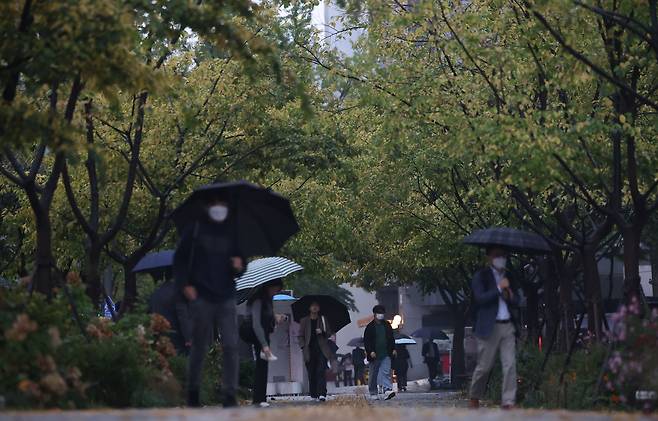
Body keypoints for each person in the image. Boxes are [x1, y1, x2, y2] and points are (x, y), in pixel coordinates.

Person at [173, 196, 245, 408]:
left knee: (231, 345)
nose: (219, 208)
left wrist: (239, 266)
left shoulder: (232, 233)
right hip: (202, 296)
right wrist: (185, 285)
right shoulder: (194, 231)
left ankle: (229, 394)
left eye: (223, 204)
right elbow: (180, 260)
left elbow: (242, 266)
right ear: (207, 206)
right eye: (215, 204)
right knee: (200, 346)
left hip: (226, 296)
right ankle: (193, 391)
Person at [469, 247, 520, 410]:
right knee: (484, 367)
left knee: (510, 364)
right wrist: (498, 289)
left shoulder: (509, 276)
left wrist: (509, 294)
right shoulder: (481, 276)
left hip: (507, 325)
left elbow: (517, 300)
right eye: (497, 255)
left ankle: (508, 401)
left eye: (503, 255)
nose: (501, 259)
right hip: (488, 327)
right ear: (489, 257)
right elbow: (480, 298)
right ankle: (474, 396)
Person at [240, 279, 284, 408]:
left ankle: (260, 398)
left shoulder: (268, 300)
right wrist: (264, 345)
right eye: (275, 289)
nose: (276, 292)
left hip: (263, 333)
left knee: (263, 366)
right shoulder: (257, 300)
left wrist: (276, 318)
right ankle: (258, 399)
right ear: (268, 287)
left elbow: (267, 318)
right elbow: (256, 325)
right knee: (261, 366)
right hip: (254, 333)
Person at [298, 301, 335, 402]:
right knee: (311, 372)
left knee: (320, 371)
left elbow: (329, 333)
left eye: (316, 306)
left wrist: (322, 332)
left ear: (319, 308)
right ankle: (314, 394)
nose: (314, 307)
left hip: (322, 349)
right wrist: (302, 346)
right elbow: (300, 335)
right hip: (309, 350)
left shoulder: (323, 319)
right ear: (309, 308)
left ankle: (322, 393)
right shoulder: (304, 320)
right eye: (312, 305)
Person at [148, 279, 193, 355]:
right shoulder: (178, 293)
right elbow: (183, 318)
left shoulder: (155, 294)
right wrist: (189, 339)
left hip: (159, 341)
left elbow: (150, 315)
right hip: (178, 342)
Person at [363, 305, 396, 400]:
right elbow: (367, 341)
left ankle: (387, 390)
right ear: (375, 314)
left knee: (386, 372)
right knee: (373, 374)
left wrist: (393, 349)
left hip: (386, 353)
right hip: (374, 354)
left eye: (382, 313)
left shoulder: (387, 325)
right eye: (379, 313)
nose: (381, 315)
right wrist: (370, 351)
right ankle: (373, 392)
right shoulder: (370, 327)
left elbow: (391, 338)